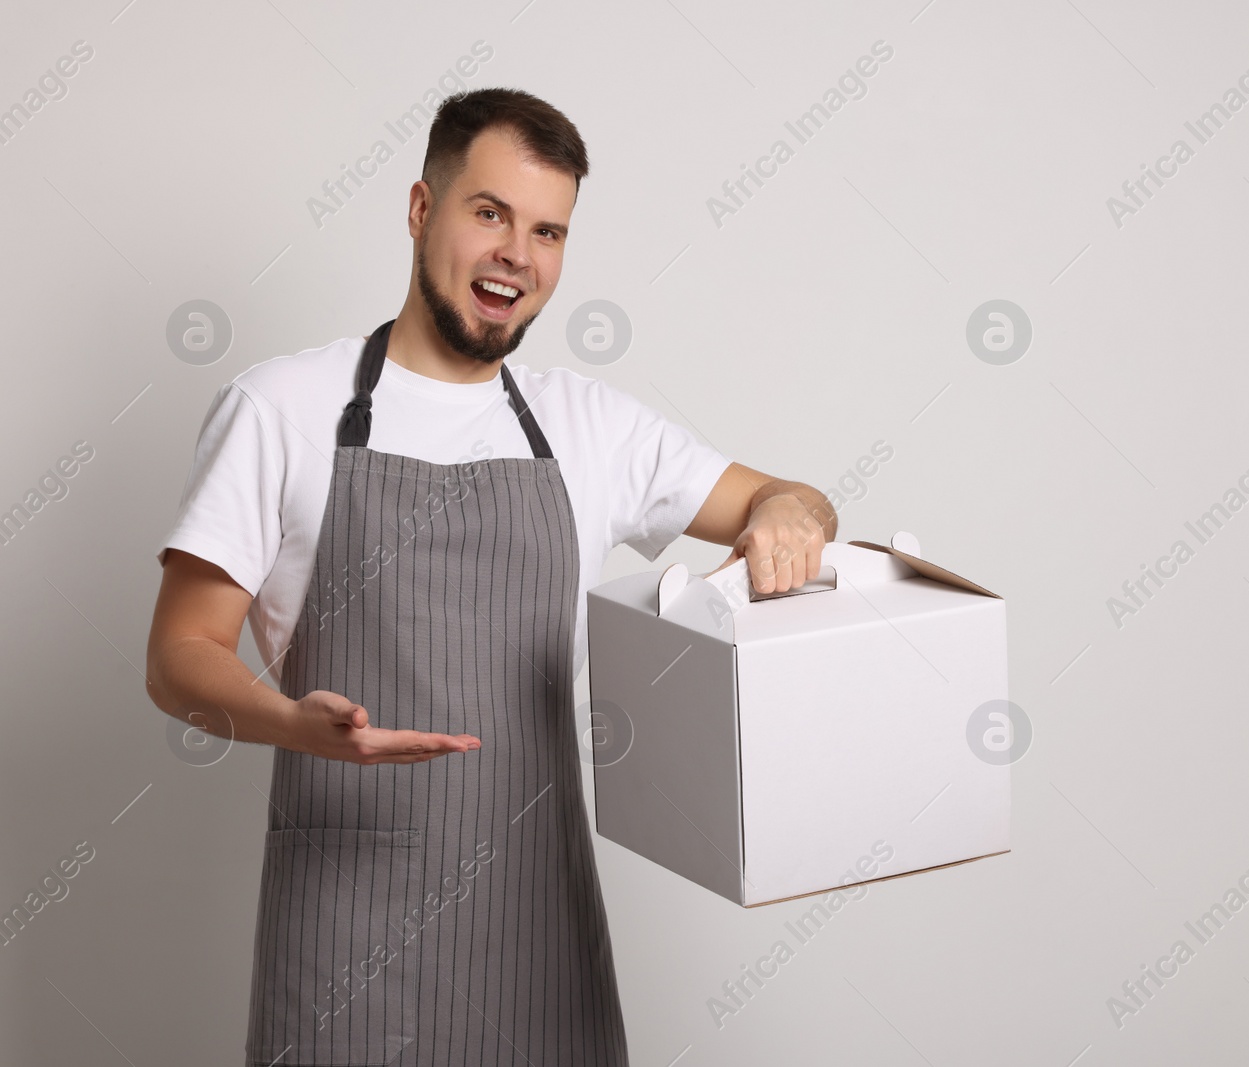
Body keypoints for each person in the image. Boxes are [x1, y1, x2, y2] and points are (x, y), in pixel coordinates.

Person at [144, 86, 837, 1066]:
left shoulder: (587, 425)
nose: (519, 252)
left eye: (548, 230)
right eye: (490, 213)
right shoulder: (280, 407)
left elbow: (789, 497)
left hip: (537, 928)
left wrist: (788, 516)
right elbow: (178, 656)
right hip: (344, 932)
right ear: (423, 210)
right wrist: (291, 720)